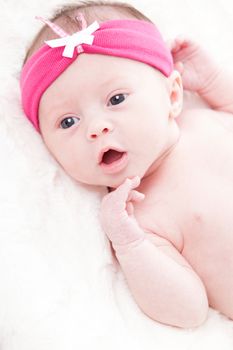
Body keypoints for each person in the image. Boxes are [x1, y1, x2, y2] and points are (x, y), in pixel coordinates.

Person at [20, 0, 233, 328]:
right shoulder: (142, 218)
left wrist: (213, 79)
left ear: (173, 96)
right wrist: (129, 244)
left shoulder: (209, 119)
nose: (96, 127)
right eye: (68, 122)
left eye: (116, 99)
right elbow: (188, 311)